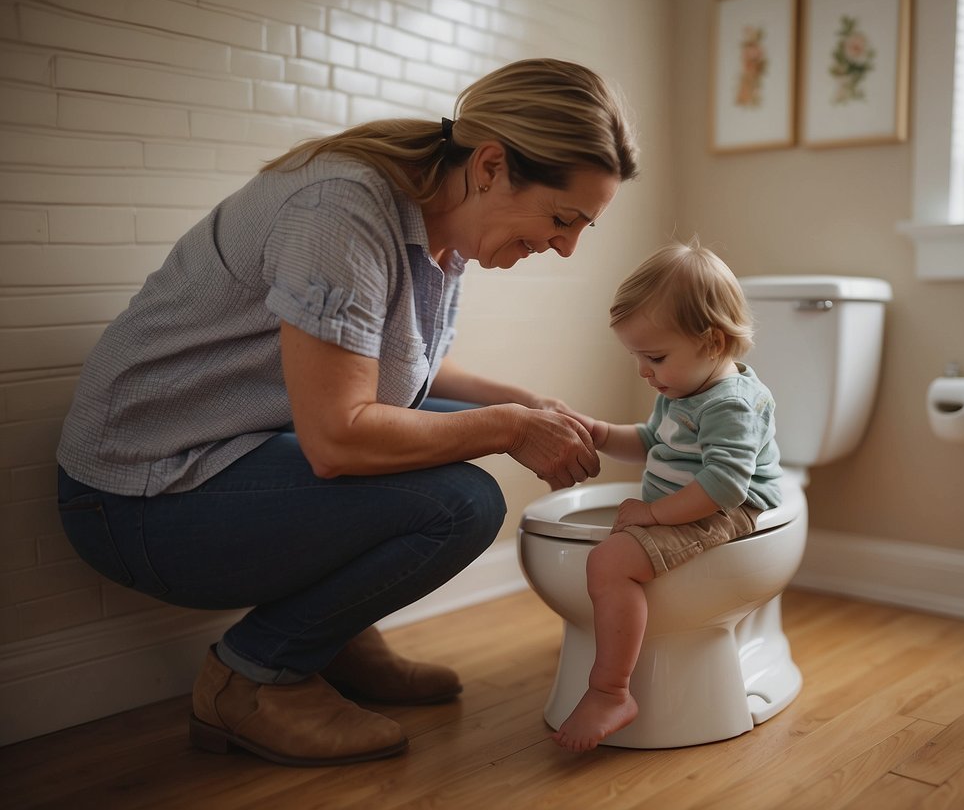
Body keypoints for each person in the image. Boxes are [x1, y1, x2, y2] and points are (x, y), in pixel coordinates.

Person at [55, 58, 639, 767]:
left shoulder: (437, 226)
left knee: (451, 433)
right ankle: (254, 677)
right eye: (562, 217)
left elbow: (392, 368)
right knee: (461, 501)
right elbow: (336, 439)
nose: (566, 245)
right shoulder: (341, 212)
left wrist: (521, 402)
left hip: (232, 454)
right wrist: (511, 429)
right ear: (491, 165)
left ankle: (329, 634)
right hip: (139, 498)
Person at [553, 238, 782, 752]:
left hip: (727, 508)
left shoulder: (730, 406)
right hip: (688, 498)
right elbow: (653, 442)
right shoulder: (682, 388)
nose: (643, 370)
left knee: (610, 563)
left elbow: (724, 486)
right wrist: (599, 432)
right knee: (607, 551)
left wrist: (653, 513)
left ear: (715, 343)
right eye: (636, 355)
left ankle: (611, 691)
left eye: (654, 356)